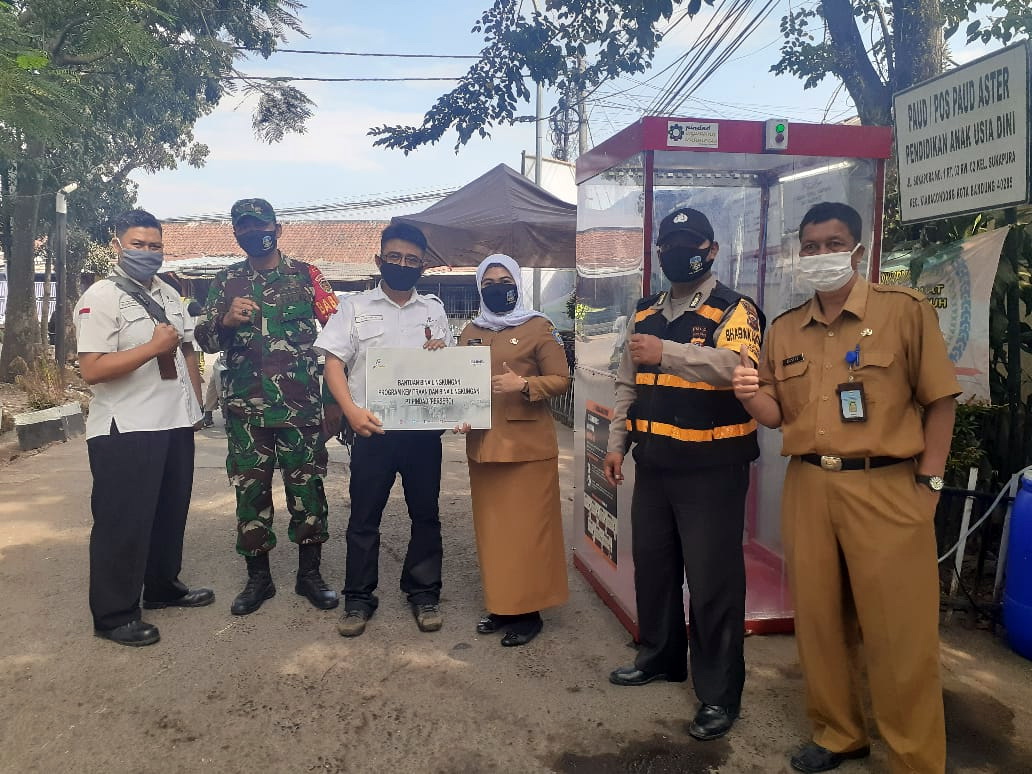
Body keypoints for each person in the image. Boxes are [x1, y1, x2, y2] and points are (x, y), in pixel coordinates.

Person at [732, 202, 958, 774]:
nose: (820, 255)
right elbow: (776, 415)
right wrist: (745, 393)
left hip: (886, 487)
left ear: (857, 249)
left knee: (900, 631)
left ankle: (913, 757)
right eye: (809, 246)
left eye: (833, 243)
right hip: (809, 486)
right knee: (819, 621)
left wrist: (930, 483)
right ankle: (839, 733)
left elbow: (940, 402)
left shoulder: (903, 312)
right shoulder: (784, 329)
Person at [602, 206, 764, 741]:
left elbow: (737, 368)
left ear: (711, 249)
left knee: (714, 582)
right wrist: (617, 444)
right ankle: (660, 656)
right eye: (669, 244)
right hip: (655, 464)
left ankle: (719, 695)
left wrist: (667, 353)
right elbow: (626, 383)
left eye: (690, 243)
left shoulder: (734, 309)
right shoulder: (645, 313)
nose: (678, 251)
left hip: (712, 469)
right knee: (654, 567)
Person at [194, 198, 341, 616]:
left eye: (260, 225)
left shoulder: (307, 276)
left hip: (300, 409)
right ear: (236, 234)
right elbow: (203, 340)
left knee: (307, 491)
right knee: (250, 493)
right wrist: (225, 321)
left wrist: (333, 400)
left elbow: (340, 338)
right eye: (243, 227)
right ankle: (258, 579)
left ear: (278, 228)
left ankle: (309, 575)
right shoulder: (225, 282)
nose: (252, 233)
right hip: (245, 412)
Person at [74, 208, 213, 647]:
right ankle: (114, 614)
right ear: (118, 245)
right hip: (127, 428)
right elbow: (92, 369)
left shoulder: (170, 294)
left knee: (169, 513)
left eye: (155, 246)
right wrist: (152, 346)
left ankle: (161, 586)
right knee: (123, 521)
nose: (148, 253)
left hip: (173, 423)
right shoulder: (101, 297)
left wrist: (196, 406)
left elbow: (187, 351)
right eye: (138, 245)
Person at [315, 223, 452, 637]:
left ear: (422, 266)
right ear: (380, 260)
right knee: (364, 517)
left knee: (426, 515)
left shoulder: (433, 309)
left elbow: (448, 366)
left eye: (412, 260)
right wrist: (350, 411)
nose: (402, 265)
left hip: (423, 433)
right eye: (395, 257)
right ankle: (358, 599)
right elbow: (333, 362)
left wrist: (441, 355)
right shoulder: (354, 307)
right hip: (371, 429)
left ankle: (424, 594)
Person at [453, 254, 571, 646]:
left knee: (528, 532)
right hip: (484, 446)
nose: (497, 287)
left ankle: (529, 611)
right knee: (495, 531)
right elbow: (454, 381)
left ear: (517, 284)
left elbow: (561, 378)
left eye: (505, 280)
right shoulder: (470, 329)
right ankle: (502, 605)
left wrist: (524, 385)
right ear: (479, 287)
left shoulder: (539, 327)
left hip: (527, 447)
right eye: (488, 282)